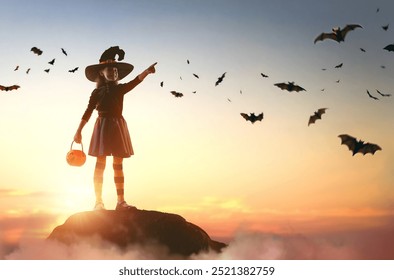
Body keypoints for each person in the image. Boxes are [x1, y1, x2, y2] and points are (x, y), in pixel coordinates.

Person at [73, 46, 156, 211]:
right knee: (100, 163)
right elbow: (88, 111)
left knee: (118, 163)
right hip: (102, 125)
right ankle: (98, 202)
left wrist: (146, 72)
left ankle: (120, 201)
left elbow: (135, 82)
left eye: (115, 70)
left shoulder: (120, 89)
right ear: (102, 73)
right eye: (109, 70)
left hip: (118, 126)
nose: (113, 72)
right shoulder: (96, 93)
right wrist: (78, 131)